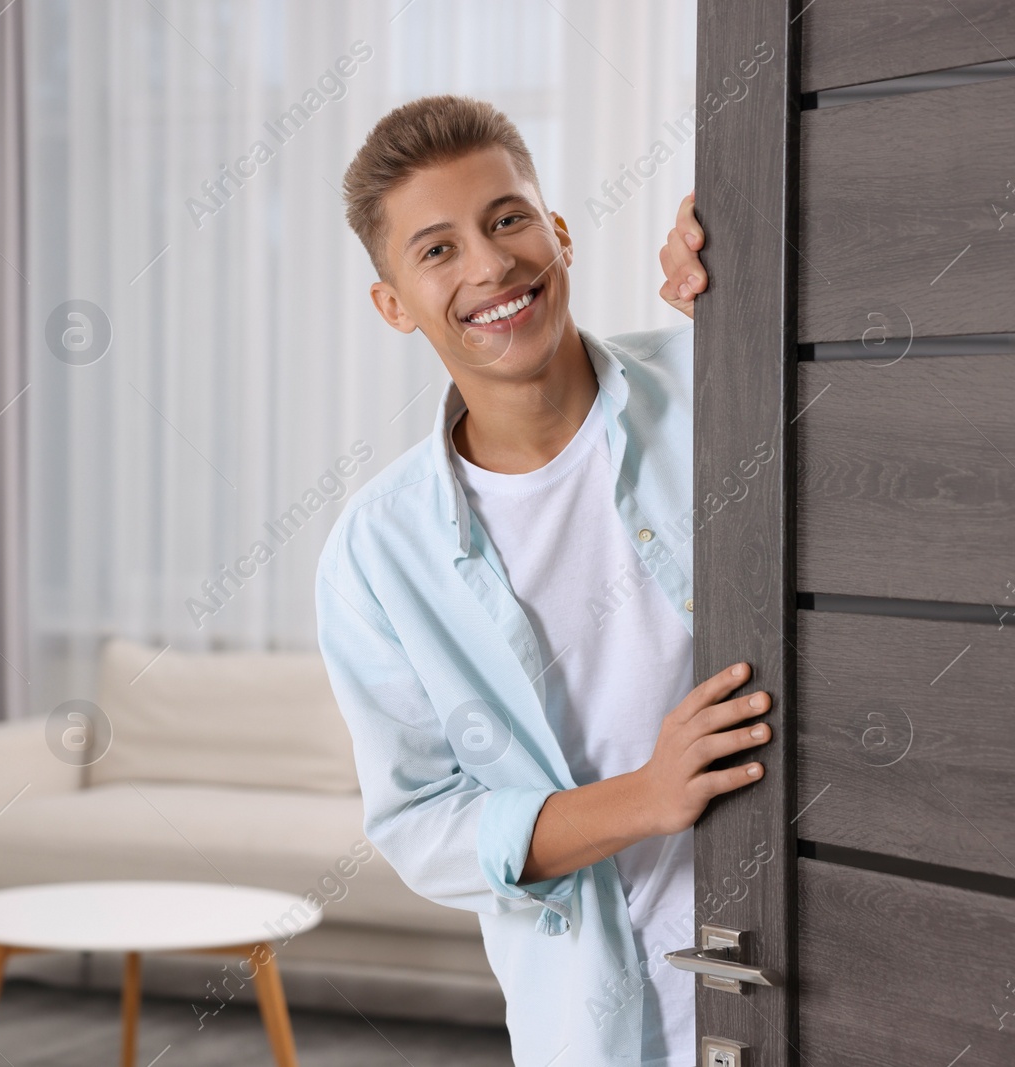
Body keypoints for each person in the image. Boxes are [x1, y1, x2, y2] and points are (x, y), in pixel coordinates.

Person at [314, 94, 770, 1066]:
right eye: (435, 250)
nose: (488, 265)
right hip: (599, 1026)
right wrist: (645, 796)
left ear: (556, 230)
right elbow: (424, 821)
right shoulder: (378, 552)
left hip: (822, 969)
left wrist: (766, 256)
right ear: (392, 303)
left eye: (506, 218)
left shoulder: (722, 386)